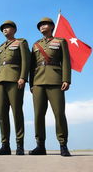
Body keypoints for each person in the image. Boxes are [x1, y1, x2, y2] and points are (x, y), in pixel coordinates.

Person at [29, 17, 71, 157]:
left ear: (52, 26)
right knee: (38, 115)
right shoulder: (35, 45)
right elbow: (31, 66)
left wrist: (66, 79)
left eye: (45, 24)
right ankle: (40, 145)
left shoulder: (60, 41)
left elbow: (65, 61)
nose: (42, 27)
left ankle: (63, 144)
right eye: (40, 25)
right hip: (38, 82)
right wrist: (32, 83)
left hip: (55, 80)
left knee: (59, 113)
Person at [0, 20, 30, 155]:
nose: (5, 30)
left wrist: (23, 77)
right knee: (2, 114)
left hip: (15, 79)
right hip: (0, 80)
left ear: (14, 29)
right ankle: (5, 145)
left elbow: (26, 61)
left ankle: (20, 145)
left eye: (8, 28)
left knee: (17, 112)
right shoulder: (0, 47)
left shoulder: (21, 42)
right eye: (3, 28)